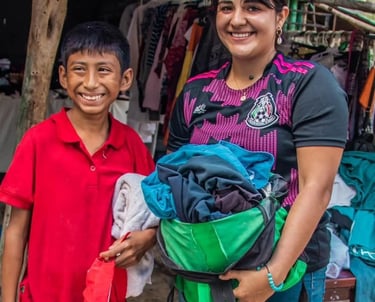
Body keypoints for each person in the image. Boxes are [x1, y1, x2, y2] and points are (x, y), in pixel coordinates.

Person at [166, 0, 349, 301]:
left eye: (253, 7)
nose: (237, 20)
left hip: (283, 270)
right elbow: (172, 175)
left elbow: (317, 188)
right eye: (227, 8)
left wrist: (272, 276)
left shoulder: (306, 84)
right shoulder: (195, 91)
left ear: (281, 17)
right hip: (205, 266)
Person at [0, 21, 156, 302]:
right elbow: (16, 230)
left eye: (104, 70)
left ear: (125, 79)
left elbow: (153, 214)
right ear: (63, 76)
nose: (91, 82)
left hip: (105, 294)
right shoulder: (39, 141)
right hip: (41, 295)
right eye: (79, 69)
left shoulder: (132, 146)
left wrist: (148, 238)